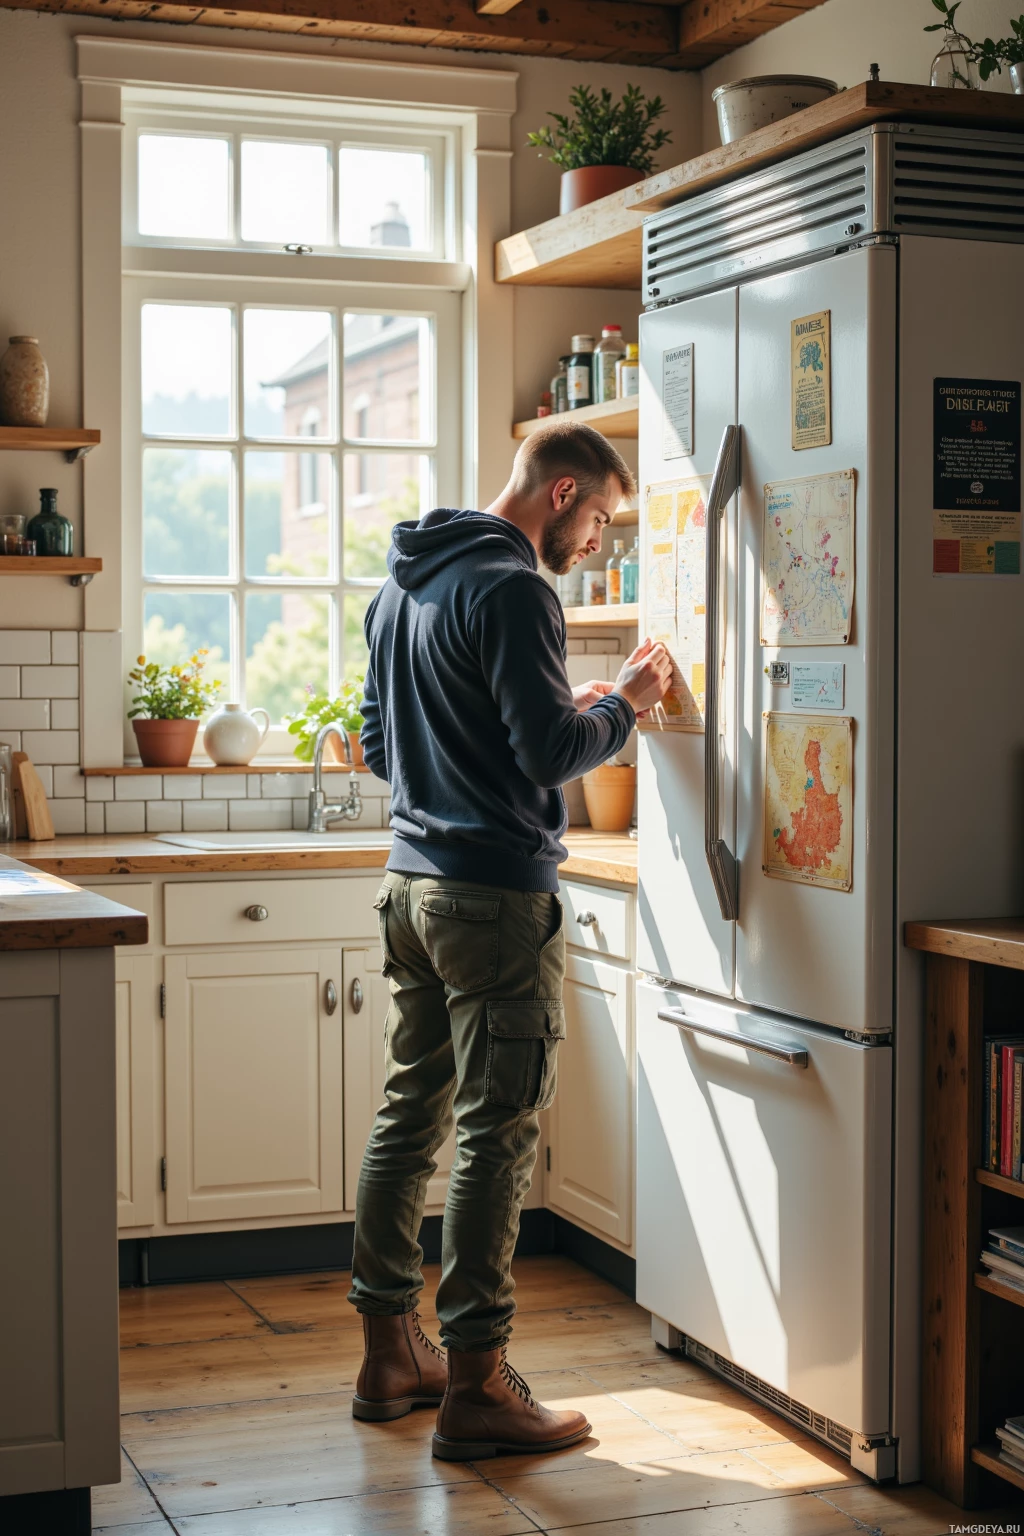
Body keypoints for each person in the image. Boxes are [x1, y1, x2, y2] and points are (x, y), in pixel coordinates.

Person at [347, 419, 672, 1461]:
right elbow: (545, 753)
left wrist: (494, 754)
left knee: (411, 1117)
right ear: (563, 490)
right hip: (492, 897)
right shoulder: (519, 588)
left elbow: (381, 745)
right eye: (603, 521)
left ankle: (392, 1353)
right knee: (497, 1132)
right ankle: (479, 1383)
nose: (598, 545)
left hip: (411, 889)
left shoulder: (404, 582)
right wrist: (623, 703)